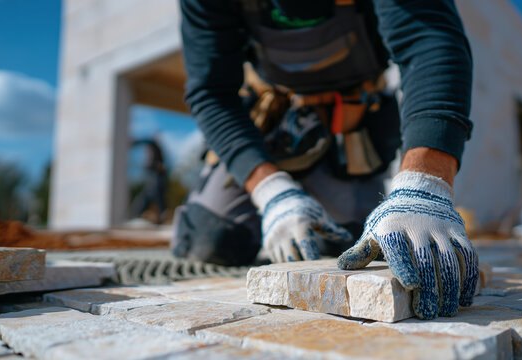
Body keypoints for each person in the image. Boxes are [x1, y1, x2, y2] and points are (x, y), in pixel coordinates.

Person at [172, 0, 478, 320]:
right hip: (271, 126)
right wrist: (271, 193)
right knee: (214, 238)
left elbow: (428, 41)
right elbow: (211, 91)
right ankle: (276, 206)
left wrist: (424, 184)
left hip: (349, 129)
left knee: (354, 243)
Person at [131, 136, 168, 224]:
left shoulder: (154, 146)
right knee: (148, 198)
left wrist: (136, 141)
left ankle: (161, 216)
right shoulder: (155, 150)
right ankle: (138, 216)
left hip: (157, 179)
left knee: (156, 198)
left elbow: (147, 141)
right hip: (154, 178)